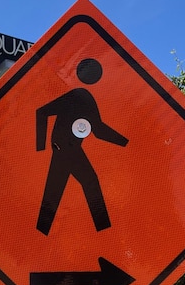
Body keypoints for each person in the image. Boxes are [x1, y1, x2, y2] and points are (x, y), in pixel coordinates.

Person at [36, 58, 129, 236]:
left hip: (68, 149)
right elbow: (41, 112)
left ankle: (40, 233)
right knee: (89, 182)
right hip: (63, 147)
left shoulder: (87, 99)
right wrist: (41, 148)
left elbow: (99, 130)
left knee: (53, 193)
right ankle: (105, 232)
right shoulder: (76, 95)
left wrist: (126, 143)